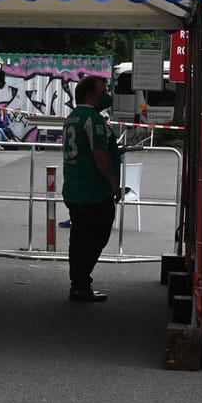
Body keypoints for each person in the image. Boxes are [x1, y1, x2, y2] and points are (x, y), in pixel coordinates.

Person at [62, 75, 123, 303]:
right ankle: (80, 282)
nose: (107, 95)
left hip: (74, 188)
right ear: (90, 94)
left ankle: (78, 283)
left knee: (79, 236)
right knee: (97, 235)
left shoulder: (73, 117)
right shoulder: (93, 119)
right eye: (103, 91)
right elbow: (99, 154)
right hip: (92, 191)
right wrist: (114, 183)